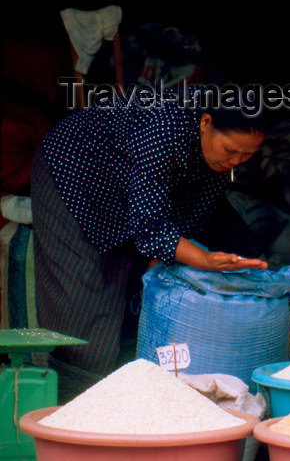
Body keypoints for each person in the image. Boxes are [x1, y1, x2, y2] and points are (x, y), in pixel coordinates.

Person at [30, 83, 268, 399]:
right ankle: (75, 404)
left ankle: (126, 397)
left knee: (141, 288)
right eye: (230, 151)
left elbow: (192, 210)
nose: (236, 161)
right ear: (205, 123)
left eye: (247, 155)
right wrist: (202, 258)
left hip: (128, 186)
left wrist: (168, 258)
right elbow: (150, 226)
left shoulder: (219, 151)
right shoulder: (164, 123)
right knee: (83, 294)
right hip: (74, 174)